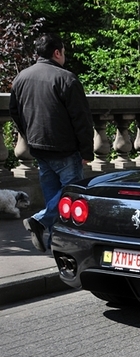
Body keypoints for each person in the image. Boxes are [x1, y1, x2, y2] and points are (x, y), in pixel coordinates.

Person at [9, 33, 94, 253]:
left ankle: (54, 244)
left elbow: (14, 112)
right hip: (65, 149)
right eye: (63, 52)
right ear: (57, 52)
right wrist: (87, 150)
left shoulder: (21, 78)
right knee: (71, 196)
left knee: (54, 198)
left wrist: (28, 135)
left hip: (39, 148)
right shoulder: (66, 79)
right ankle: (40, 220)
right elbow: (82, 119)